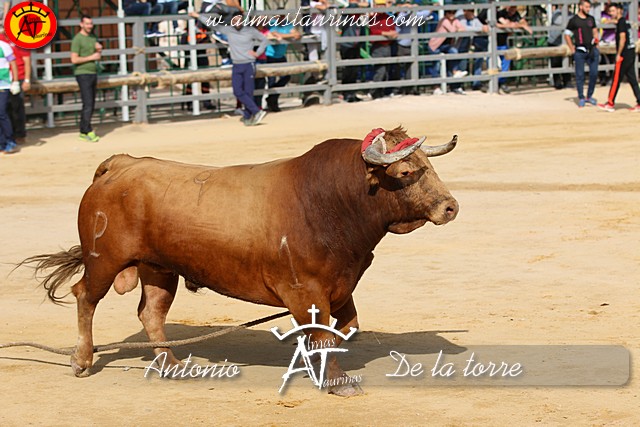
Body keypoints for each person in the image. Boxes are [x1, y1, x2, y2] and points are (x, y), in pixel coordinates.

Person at [192, 10, 268, 125]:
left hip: (248, 64)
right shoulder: (228, 30)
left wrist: (257, 53)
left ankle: (248, 116)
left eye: (239, 20)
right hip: (237, 65)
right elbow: (212, 24)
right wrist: (198, 16)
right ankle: (256, 111)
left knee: (248, 92)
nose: (237, 22)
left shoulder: (250, 31)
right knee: (237, 91)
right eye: (235, 20)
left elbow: (264, 40)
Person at [597, 3, 640, 112]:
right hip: (631, 52)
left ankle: (610, 103)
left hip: (624, 54)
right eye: (610, 11)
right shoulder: (624, 21)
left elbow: (622, 38)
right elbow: (619, 23)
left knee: (616, 78)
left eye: (613, 11)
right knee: (632, 79)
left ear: (619, 10)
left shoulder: (621, 23)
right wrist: (611, 21)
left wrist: (618, 54)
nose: (611, 13)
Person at [70, 15, 101, 142]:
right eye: (87, 24)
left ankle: (84, 130)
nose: (89, 26)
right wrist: (91, 57)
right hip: (83, 74)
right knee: (88, 103)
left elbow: (96, 54)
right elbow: (74, 59)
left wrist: (98, 50)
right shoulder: (77, 39)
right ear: (81, 24)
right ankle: (87, 130)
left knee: (91, 103)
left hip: (93, 72)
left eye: (91, 24)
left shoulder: (92, 37)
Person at [564, 0, 599, 108]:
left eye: (589, 7)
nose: (588, 9)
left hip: (592, 50)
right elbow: (567, 34)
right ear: (580, 7)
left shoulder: (591, 19)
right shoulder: (574, 20)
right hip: (580, 50)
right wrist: (572, 48)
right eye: (586, 7)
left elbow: (595, 31)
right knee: (580, 75)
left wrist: (596, 43)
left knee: (594, 74)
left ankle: (589, 96)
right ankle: (581, 97)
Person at [0, 25, 30, 144]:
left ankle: (19, 134)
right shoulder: (1, 39)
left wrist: (27, 80)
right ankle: (8, 135)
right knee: (4, 109)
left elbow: (26, 61)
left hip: (19, 77)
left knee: (17, 107)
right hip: (5, 78)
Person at [427, 9, 468, 95]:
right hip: (435, 45)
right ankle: (436, 87)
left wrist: (459, 29)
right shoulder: (444, 20)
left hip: (446, 45)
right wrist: (458, 29)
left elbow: (463, 28)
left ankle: (454, 74)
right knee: (436, 65)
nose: (452, 14)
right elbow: (452, 30)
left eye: (453, 12)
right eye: (450, 12)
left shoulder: (455, 20)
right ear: (446, 14)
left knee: (454, 53)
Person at [265, 17, 301, 112]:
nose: (280, 18)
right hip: (270, 55)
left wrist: (285, 35)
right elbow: (274, 34)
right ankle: (273, 103)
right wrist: (290, 35)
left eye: (282, 16)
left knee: (286, 77)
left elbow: (297, 34)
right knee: (271, 80)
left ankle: (272, 98)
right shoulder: (272, 23)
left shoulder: (287, 24)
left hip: (281, 56)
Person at [496, 6, 533, 94]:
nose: (513, 9)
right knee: (492, 63)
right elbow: (507, 25)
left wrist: (521, 24)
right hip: (492, 41)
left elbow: (522, 21)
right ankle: (487, 83)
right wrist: (520, 26)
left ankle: (501, 82)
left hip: (502, 42)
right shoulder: (501, 13)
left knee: (506, 61)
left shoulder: (515, 13)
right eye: (511, 7)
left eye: (514, 7)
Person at [339, 0, 369, 102]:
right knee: (348, 70)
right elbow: (352, 7)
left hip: (356, 45)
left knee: (354, 71)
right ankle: (346, 93)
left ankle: (352, 93)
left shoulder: (357, 14)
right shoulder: (347, 12)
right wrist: (358, 5)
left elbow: (366, 6)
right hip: (347, 45)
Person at [368, 0, 398, 99]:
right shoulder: (373, 17)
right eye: (379, 5)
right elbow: (374, 31)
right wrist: (387, 33)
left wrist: (392, 33)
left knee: (386, 70)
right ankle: (374, 92)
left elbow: (392, 29)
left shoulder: (388, 17)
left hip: (387, 45)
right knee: (380, 70)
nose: (381, 7)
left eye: (383, 5)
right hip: (378, 46)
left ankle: (382, 92)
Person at [457, 8, 488, 91]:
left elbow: (482, 27)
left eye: (473, 11)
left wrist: (480, 28)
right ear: (465, 11)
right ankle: (460, 84)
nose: (472, 13)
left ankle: (476, 83)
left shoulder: (473, 18)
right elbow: (463, 28)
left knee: (479, 56)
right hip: (459, 44)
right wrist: (479, 29)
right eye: (470, 11)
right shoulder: (460, 17)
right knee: (462, 62)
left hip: (470, 42)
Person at [0, 37, 19, 154]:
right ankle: (2, 143)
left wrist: (15, 81)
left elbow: (13, 63)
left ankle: (10, 141)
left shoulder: (3, 46)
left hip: (3, 83)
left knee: (1, 112)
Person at [548, 5, 572, 90]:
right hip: (554, 42)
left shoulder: (570, 14)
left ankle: (567, 82)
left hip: (565, 42)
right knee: (555, 63)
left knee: (567, 62)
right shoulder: (556, 13)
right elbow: (562, 22)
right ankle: (557, 83)